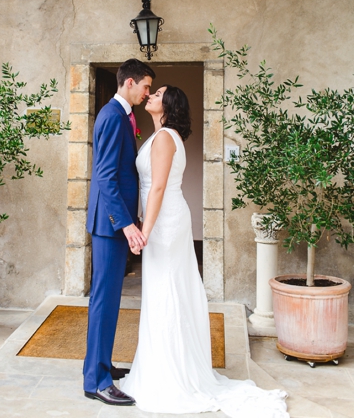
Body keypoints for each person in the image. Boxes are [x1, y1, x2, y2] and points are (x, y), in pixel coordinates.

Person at [120, 86, 288, 417]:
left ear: (168, 106)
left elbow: (156, 187)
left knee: (166, 292)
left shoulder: (166, 137)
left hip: (165, 223)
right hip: (165, 218)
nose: (151, 95)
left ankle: (170, 376)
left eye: (158, 94)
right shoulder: (165, 136)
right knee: (163, 292)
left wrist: (145, 231)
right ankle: (162, 368)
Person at [83, 58, 154, 406]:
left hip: (114, 221)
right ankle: (96, 381)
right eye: (145, 86)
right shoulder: (113, 116)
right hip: (110, 223)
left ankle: (103, 365)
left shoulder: (123, 116)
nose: (148, 93)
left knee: (110, 299)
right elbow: (106, 176)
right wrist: (126, 224)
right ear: (129, 83)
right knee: (104, 298)